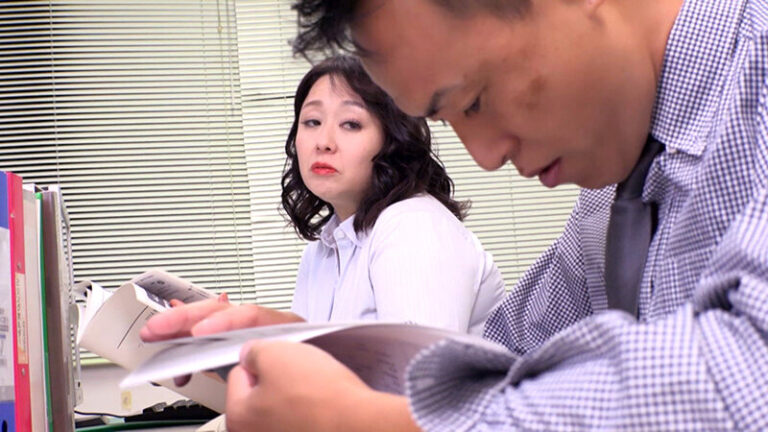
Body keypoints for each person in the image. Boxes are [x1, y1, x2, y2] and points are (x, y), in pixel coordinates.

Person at [218, 0, 768, 430]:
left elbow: (749, 375)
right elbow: (508, 353)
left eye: (476, 99)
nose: (485, 157)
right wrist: (326, 353)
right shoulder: (607, 203)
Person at [140, 56, 505, 344]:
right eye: (312, 122)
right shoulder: (319, 254)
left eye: (351, 124)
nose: (324, 142)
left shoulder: (414, 225)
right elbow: (315, 371)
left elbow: (415, 388)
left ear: (393, 140)